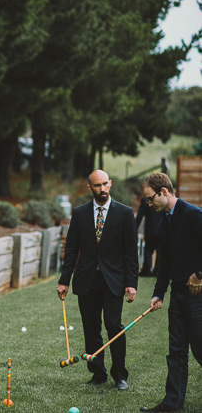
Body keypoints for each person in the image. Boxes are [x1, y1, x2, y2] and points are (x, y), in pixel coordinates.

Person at [57, 170, 138, 391]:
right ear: (89, 188)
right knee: (91, 329)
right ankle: (98, 373)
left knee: (114, 326)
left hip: (114, 281)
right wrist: (64, 280)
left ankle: (120, 374)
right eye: (96, 186)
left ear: (110, 184)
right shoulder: (80, 213)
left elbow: (131, 252)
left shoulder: (124, 213)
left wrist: (131, 283)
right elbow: (71, 249)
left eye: (104, 184)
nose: (101, 189)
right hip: (87, 281)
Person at [139, 173, 202, 413]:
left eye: (150, 198)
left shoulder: (193, 214)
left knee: (200, 349)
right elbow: (164, 262)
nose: (149, 204)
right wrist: (158, 294)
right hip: (176, 295)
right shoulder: (164, 222)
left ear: (164, 191)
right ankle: (172, 403)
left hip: (197, 296)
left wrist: (199, 274)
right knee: (176, 351)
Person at [136, 197, 161, 277]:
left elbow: (140, 215)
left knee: (148, 250)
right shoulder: (162, 199)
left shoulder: (146, 200)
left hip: (150, 230)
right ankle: (157, 271)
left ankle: (147, 270)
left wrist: (134, 228)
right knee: (160, 252)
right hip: (161, 230)